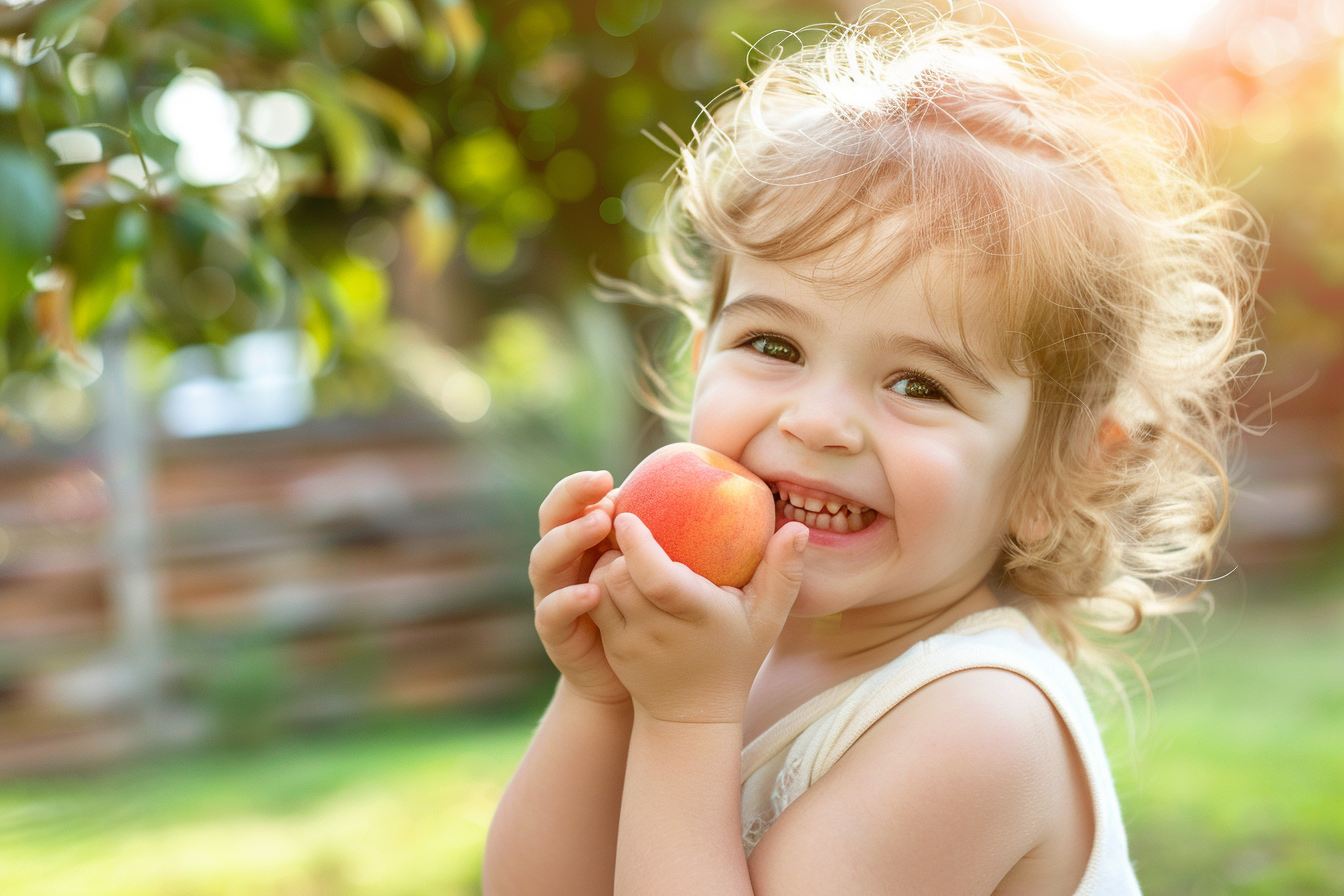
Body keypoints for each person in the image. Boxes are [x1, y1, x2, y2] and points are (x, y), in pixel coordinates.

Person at [483, 5, 1263, 894]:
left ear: (1062, 473)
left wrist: (686, 720)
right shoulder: (717, 657)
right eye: (773, 346)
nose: (818, 422)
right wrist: (602, 691)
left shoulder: (980, 722)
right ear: (701, 361)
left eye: (919, 385)